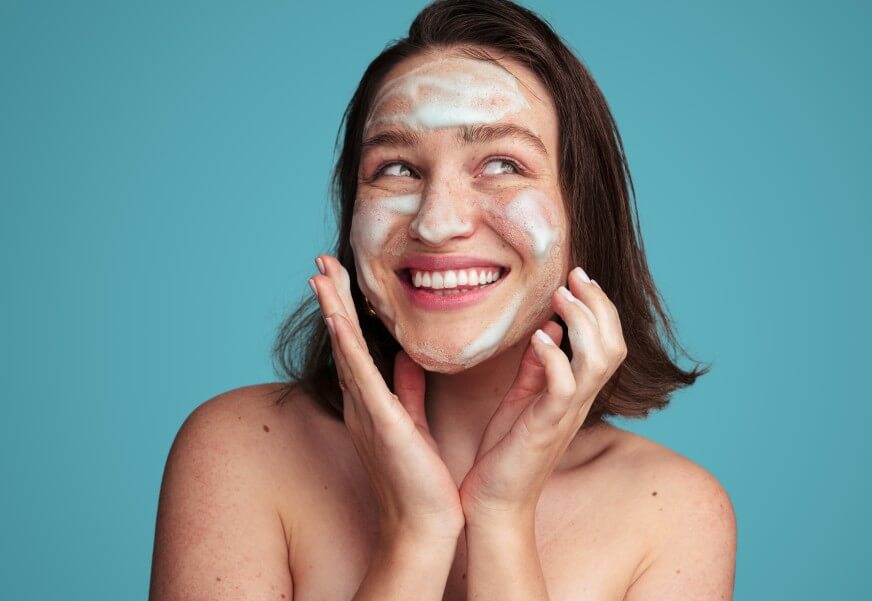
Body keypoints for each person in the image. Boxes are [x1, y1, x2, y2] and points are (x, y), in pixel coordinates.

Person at [149, 0, 737, 599]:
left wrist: (502, 519)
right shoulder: (239, 450)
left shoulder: (675, 512)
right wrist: (416, 535)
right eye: (398, 168)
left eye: (503, 164)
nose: (436, 222)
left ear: (585, 218)